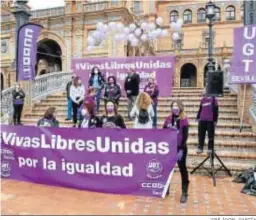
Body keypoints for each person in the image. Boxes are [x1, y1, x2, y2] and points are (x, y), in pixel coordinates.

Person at [163, 100, 189, 203]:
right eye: (173, 106)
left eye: (176, 106)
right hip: (170, 148)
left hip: (180, 148)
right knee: (167, 168)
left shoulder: (184, 120)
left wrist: (181, 149)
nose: (175, 108)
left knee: (182, 169)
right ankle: (166, 188)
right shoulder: (168, 119)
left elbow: (185, 136)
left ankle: (184, 192)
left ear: (180, 107)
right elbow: (163, 131)